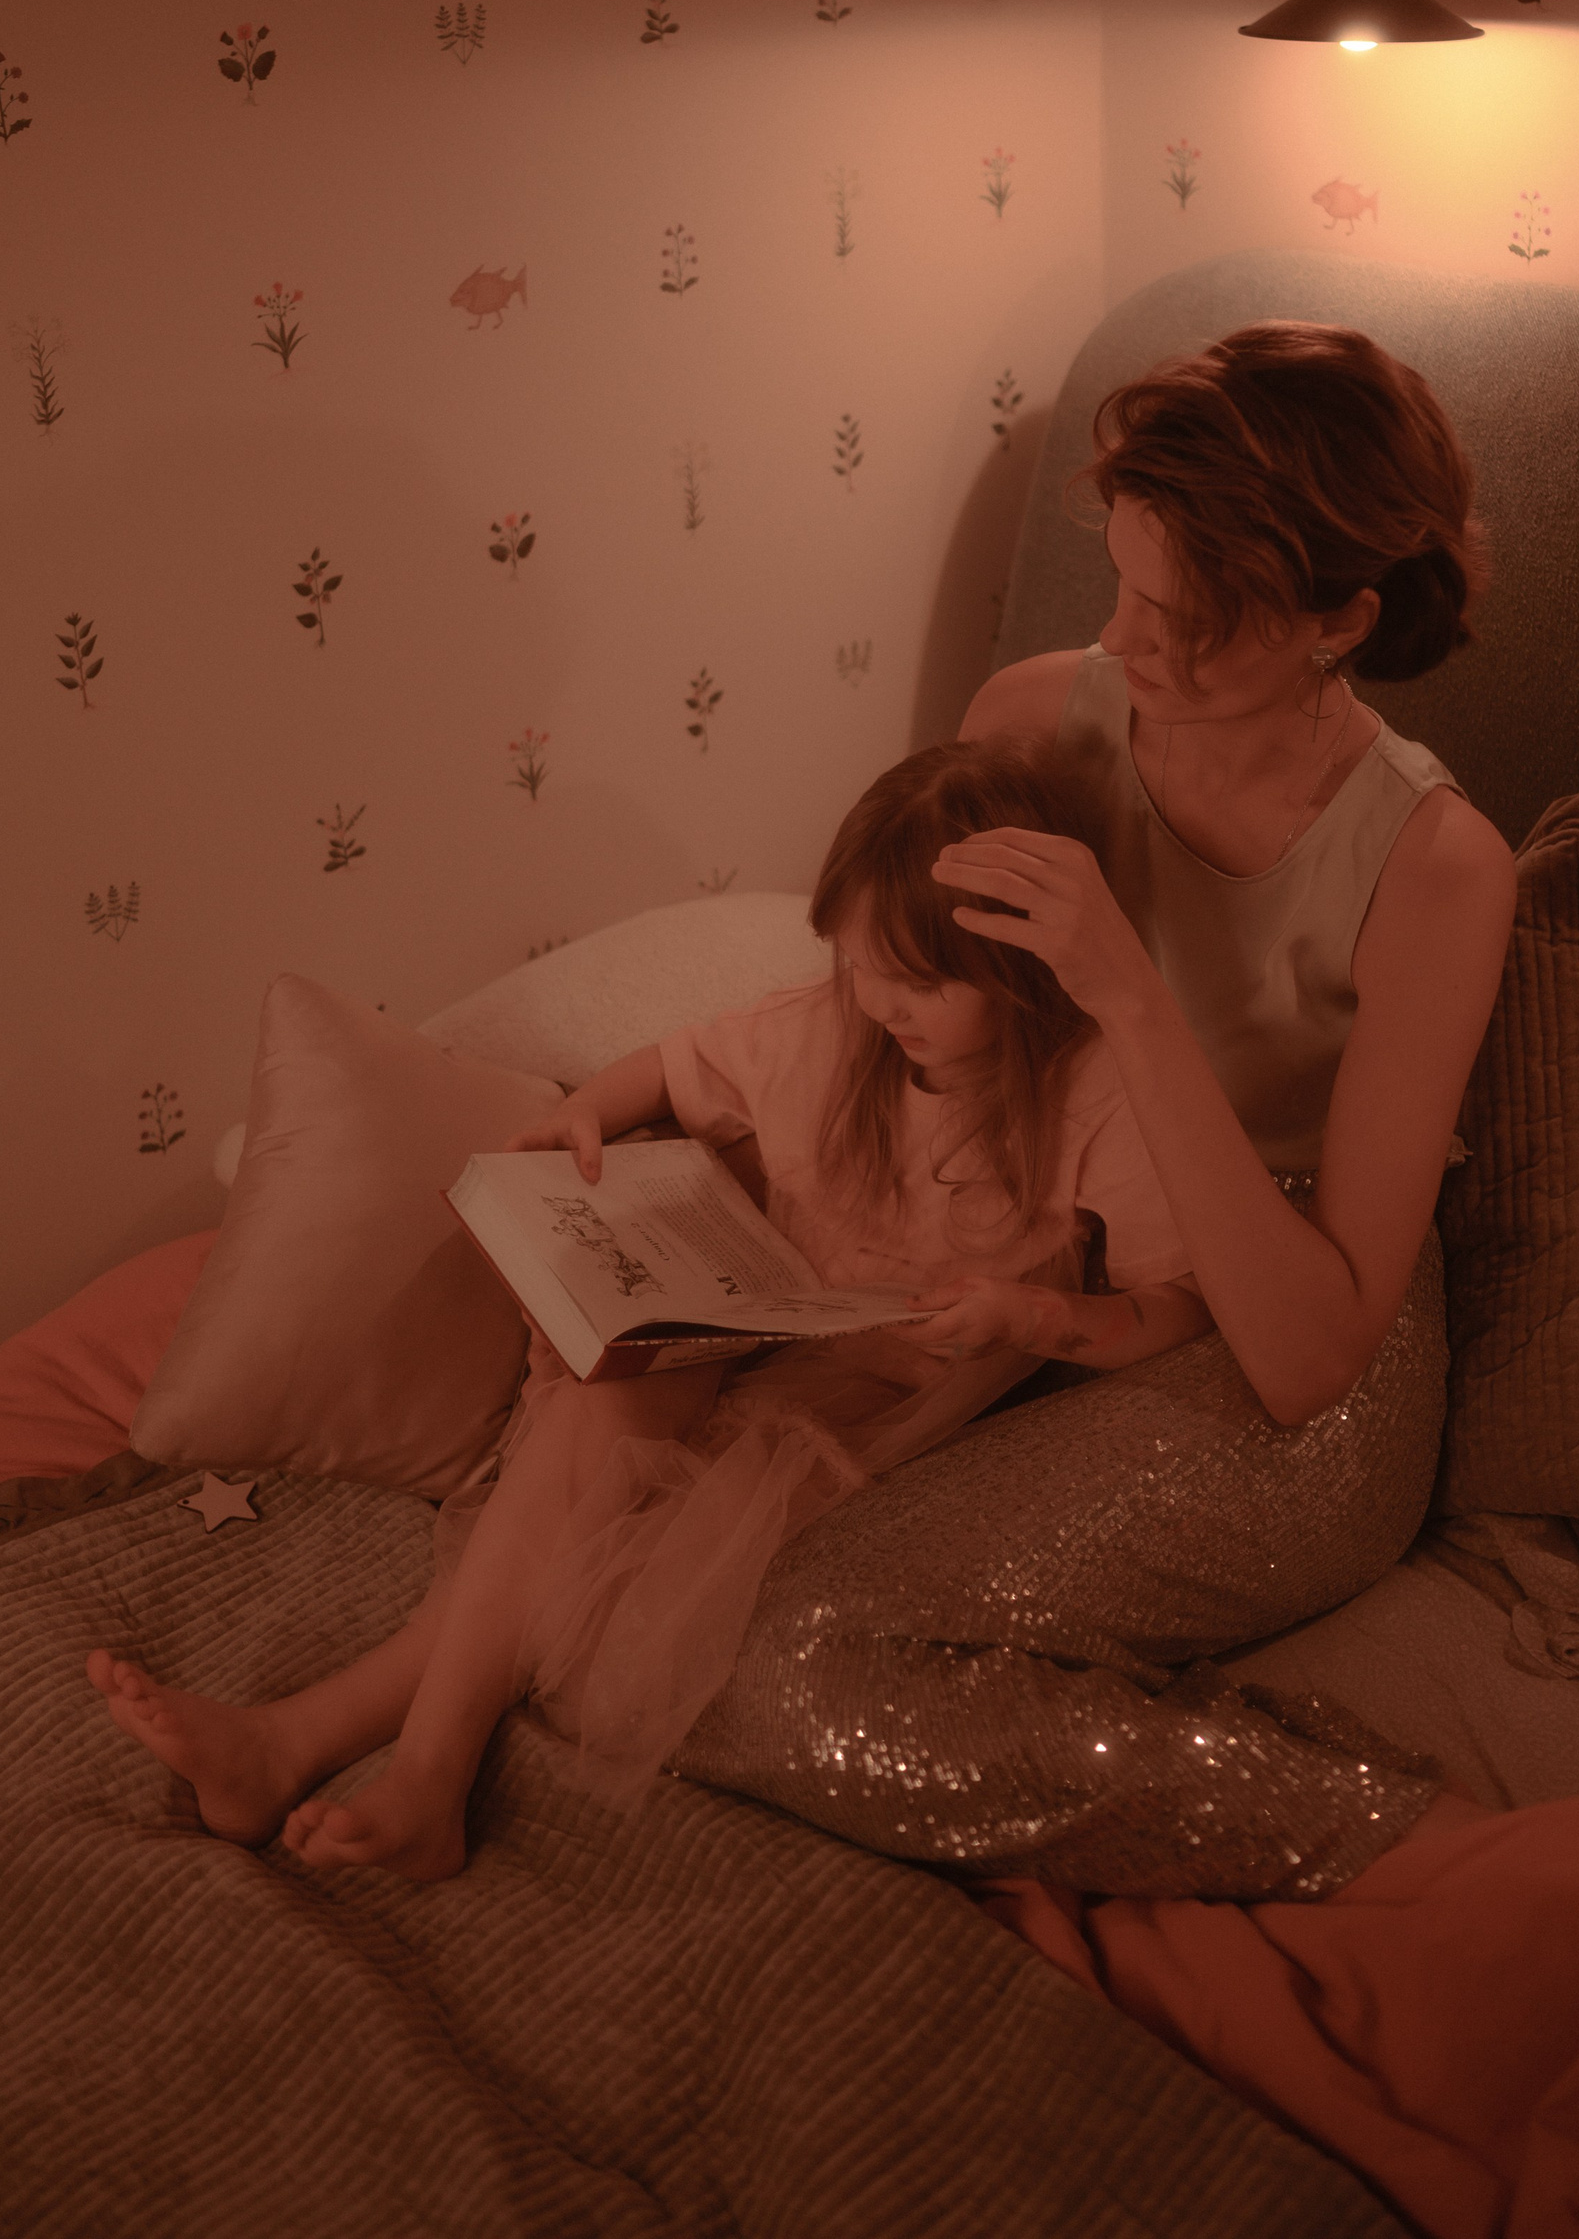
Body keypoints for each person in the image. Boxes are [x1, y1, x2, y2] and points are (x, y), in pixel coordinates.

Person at [670, 322, 1517, 1891]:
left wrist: (1130, 993)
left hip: (1287, 1337)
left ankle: (1413, 1848)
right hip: (1059, 1249)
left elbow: (1311, 1354)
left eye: (1185, 623)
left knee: (781, 1664)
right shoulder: (1031, 722)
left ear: (1340, 621)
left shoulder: (1438, 865)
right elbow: (897, 1002)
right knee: (694, 1610)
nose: (1123, 643)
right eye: (1120, 584)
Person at [86, 739, 1202, 1880]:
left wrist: (1036, 1320)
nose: (881, 1005)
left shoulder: (1097, 1098)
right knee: (601, 1408)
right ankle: (347, 1759)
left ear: (1023, 965)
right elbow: (678, 1065)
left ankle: (344, 1751)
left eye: (920, 984)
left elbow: (1174, 1310)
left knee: (581, 1534)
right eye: (861, 966)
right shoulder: (835, 1033)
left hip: (891, 1407)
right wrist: (592, 1117)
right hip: (755, 1327)